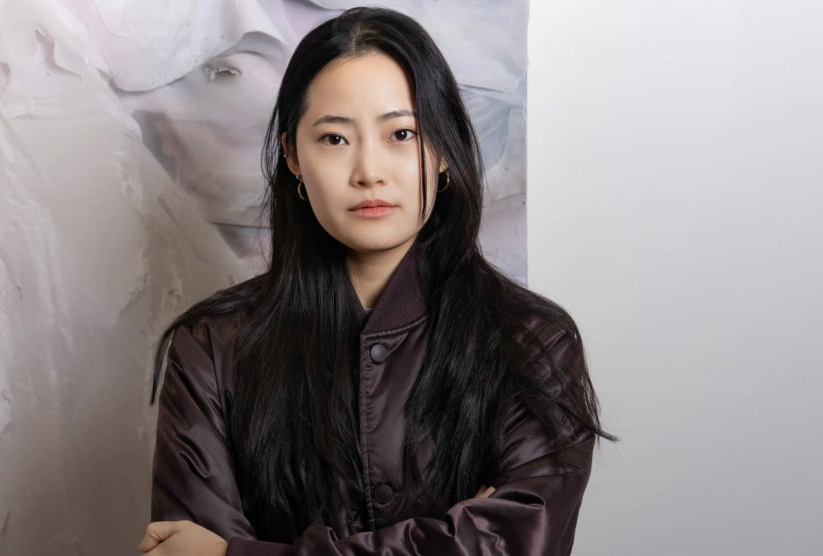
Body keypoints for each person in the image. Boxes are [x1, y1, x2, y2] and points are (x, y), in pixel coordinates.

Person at [139, 7, 612, 556]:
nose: (369, 171)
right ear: (292, 155)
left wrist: (234, 554)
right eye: (334, 139)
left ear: (442, 149)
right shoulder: (212, 346)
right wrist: (454, 538)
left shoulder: (532, 342)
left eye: (401, 133)